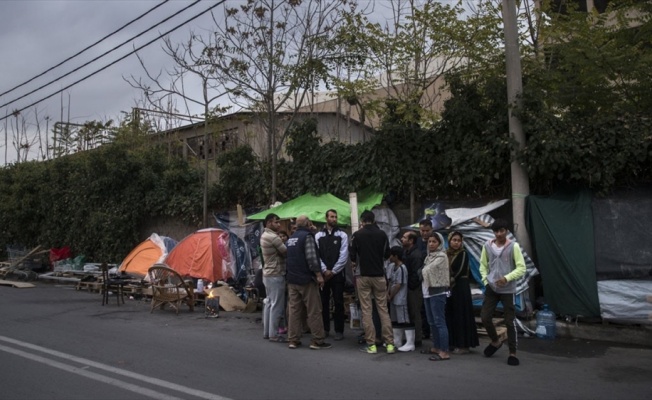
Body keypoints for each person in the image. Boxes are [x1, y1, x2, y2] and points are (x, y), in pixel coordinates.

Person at [480, 219, 526, 366]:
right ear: (493, 232)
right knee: (485, 317)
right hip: (492, 288)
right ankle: (495, 341)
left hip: (508, 289)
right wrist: (486, 281)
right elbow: (483, 265)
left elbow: (521, 268)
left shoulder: (514, 247)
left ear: (506, 231)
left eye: (502, 231)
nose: (499, 234)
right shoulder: (487, 246)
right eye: (496, 231)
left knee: (509, 321)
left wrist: (507, 278)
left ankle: (512, 353)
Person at [350, 210, 395, 354]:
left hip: (363, 276)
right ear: (374, 220)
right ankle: (389, 344)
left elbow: (352, 257)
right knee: (383, 310)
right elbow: (387, 254)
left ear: (362, 220)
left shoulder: (357, 235)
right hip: (379, 275)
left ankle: (371, 344)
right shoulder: (382, 234)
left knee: (366, 311)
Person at [285, 215, 331, 350]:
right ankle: (317, 340)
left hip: (292, 279)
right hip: (306, 279)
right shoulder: (307, 237)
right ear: (308, 223)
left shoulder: (291, 238)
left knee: (294, 310)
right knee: (314, 310)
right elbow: (311, 258)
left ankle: (293, 339)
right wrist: (318, 275)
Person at [315, 209, 348, 341]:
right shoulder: (318, 236)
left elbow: (344, 255)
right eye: (331, 217)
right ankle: (325, 329)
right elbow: (316, 255)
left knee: (339, 302)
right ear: (326, 218)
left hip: (337, 275)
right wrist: (324, 270)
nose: (334, 219)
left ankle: (339, 330)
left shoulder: (342, 235)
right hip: (323, 275)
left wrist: (333, 271)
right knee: (323, 302)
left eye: (335, 217)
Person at [445, 231, 479, 354]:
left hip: (460, 287)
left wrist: (449, 280)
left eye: (458, 240)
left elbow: (459, 270)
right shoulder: (446, 254)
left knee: (461, 314)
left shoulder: (463, 253)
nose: (456, 243)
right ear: (449, 241)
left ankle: (464, 345)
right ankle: (452, 342)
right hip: (450, 288)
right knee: (451, 314)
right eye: (454, 240)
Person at [421, 233, 451, 361]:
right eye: (429, 242)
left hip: (437, 292)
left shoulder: (442, 256)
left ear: (440, 243)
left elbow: (427, 270)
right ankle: (436, 347)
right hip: (427, 291)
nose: (431, 244)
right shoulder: (428, 257)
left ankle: (444, 351)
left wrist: (422, 270)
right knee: (431, 321)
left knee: (439, 322)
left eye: (434, 242)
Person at [260, 213, 287, 342]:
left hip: (267, 274)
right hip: (276, 274)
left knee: (270, 303)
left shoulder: (264, 235)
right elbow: (286, 252)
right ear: (270, 223)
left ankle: (267, 332)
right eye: (277, 222)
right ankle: (274, 334)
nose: (279, 225)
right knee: (277, 305)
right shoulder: (273, 237)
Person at [401, 230, 424, 348]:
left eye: (404, 237)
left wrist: (410, 286)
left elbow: (416, 274)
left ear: (411, 241)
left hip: (414, 288)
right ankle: (411, 338)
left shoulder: (416, 254)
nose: (402, 239)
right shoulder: (407, 252)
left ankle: (417, 339)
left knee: (415, 312)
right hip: (408, 287)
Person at [387, 246, 412, 351]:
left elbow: (398, 285)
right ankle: (397, 341)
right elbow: (390, 281)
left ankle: (410, 342)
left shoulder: (402, 268)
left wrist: (390, 295)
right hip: (393, 298)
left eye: (391, 255)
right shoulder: (392, 266)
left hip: (400, 298)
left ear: (396, 256)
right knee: (395, 320)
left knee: (404, 320)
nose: (389, 257)